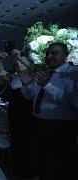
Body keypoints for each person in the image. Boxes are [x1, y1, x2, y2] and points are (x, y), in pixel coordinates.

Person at [16, 42, 78, 179]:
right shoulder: (46, 73)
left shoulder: (73, 74)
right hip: (38, 124)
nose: (49, 56)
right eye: (47, 53)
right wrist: (26, 83)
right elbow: (29, 97)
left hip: (61, 129)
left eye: (54, 53)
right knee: (40, 167)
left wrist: (47, 85)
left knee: (58, 169)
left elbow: (73, 102)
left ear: (66, 56)